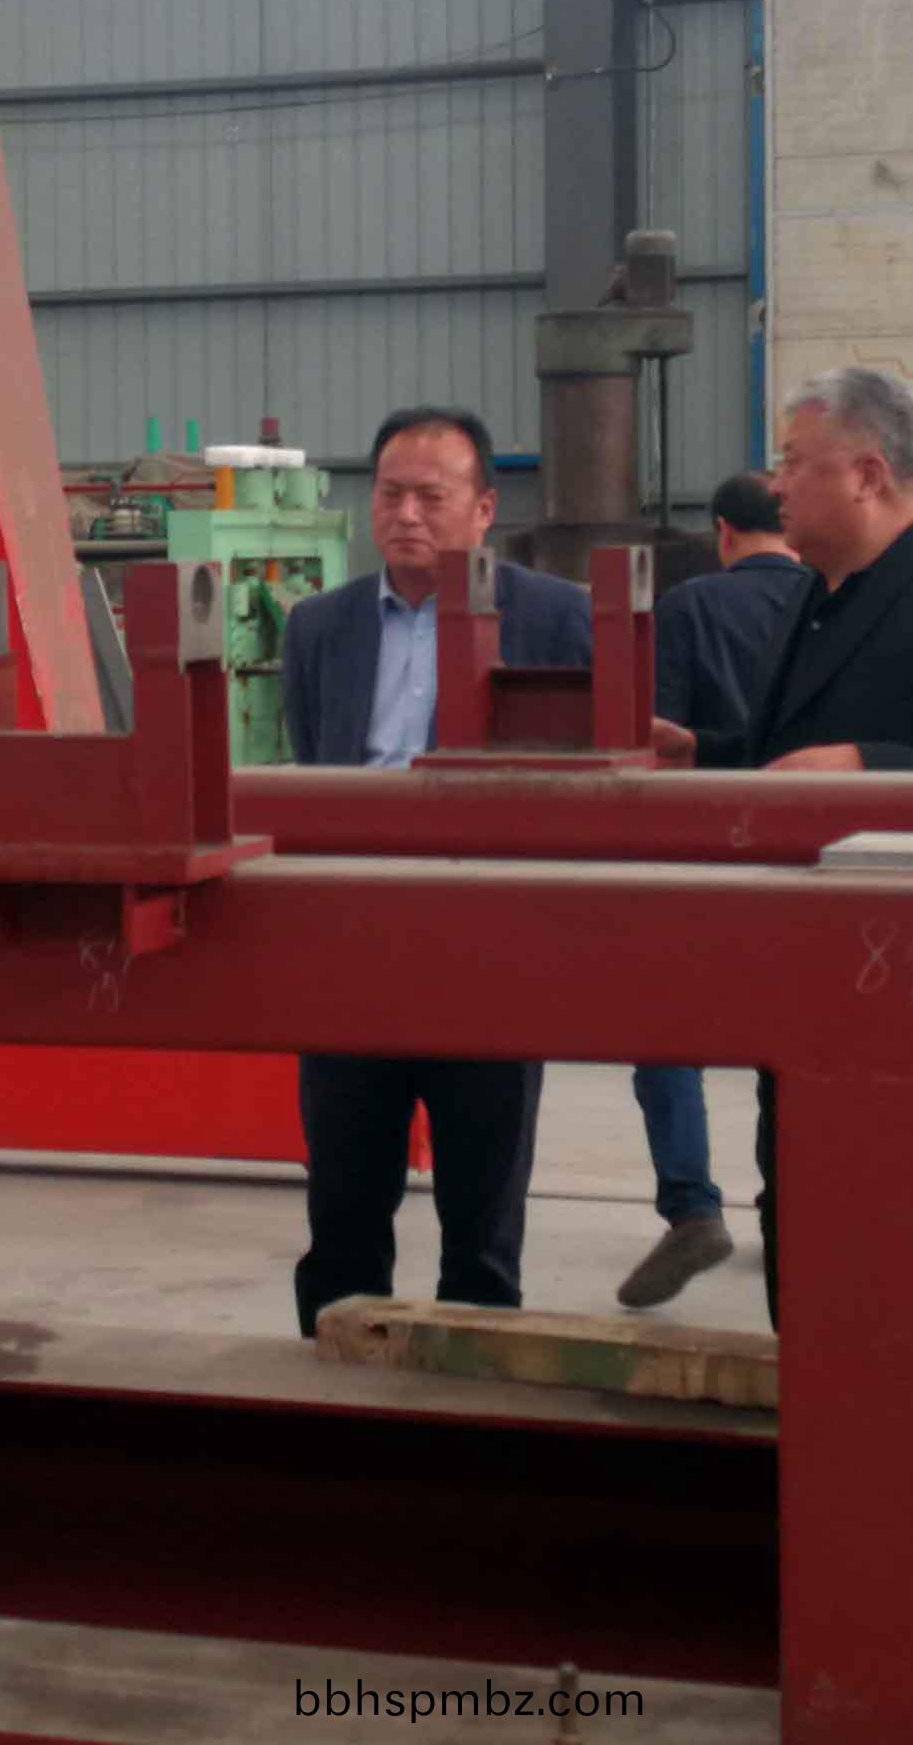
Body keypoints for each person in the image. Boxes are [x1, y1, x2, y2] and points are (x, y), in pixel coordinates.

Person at [656, 367, 913, 1323]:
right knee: (805, 1229)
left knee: (907, 1265)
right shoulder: (818, 592)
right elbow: (788, 753)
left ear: (867, 474)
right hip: (813, 981)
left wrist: (863, 767)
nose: (775, 485)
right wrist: (705, 754)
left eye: (794, 463)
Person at [280, 406, 592, 1338]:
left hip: (490, 943)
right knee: (343, 1194)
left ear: (484, 508)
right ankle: (335, 1370)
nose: (405, 514)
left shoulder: (559, 619)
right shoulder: (319, 627)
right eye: (389, 494)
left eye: (429, 495)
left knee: (483, 1208)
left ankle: (476, 1378)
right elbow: (315, 762)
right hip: (352, 942)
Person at [616, 470, 811, 1310]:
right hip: (808, 857)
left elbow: (654, 741)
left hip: (700, 855)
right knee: (792, 1047)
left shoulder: (689, 608)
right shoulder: (829, 606)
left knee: (665, 1034)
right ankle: (789, 1210)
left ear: (722, 532)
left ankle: (692, 1207)